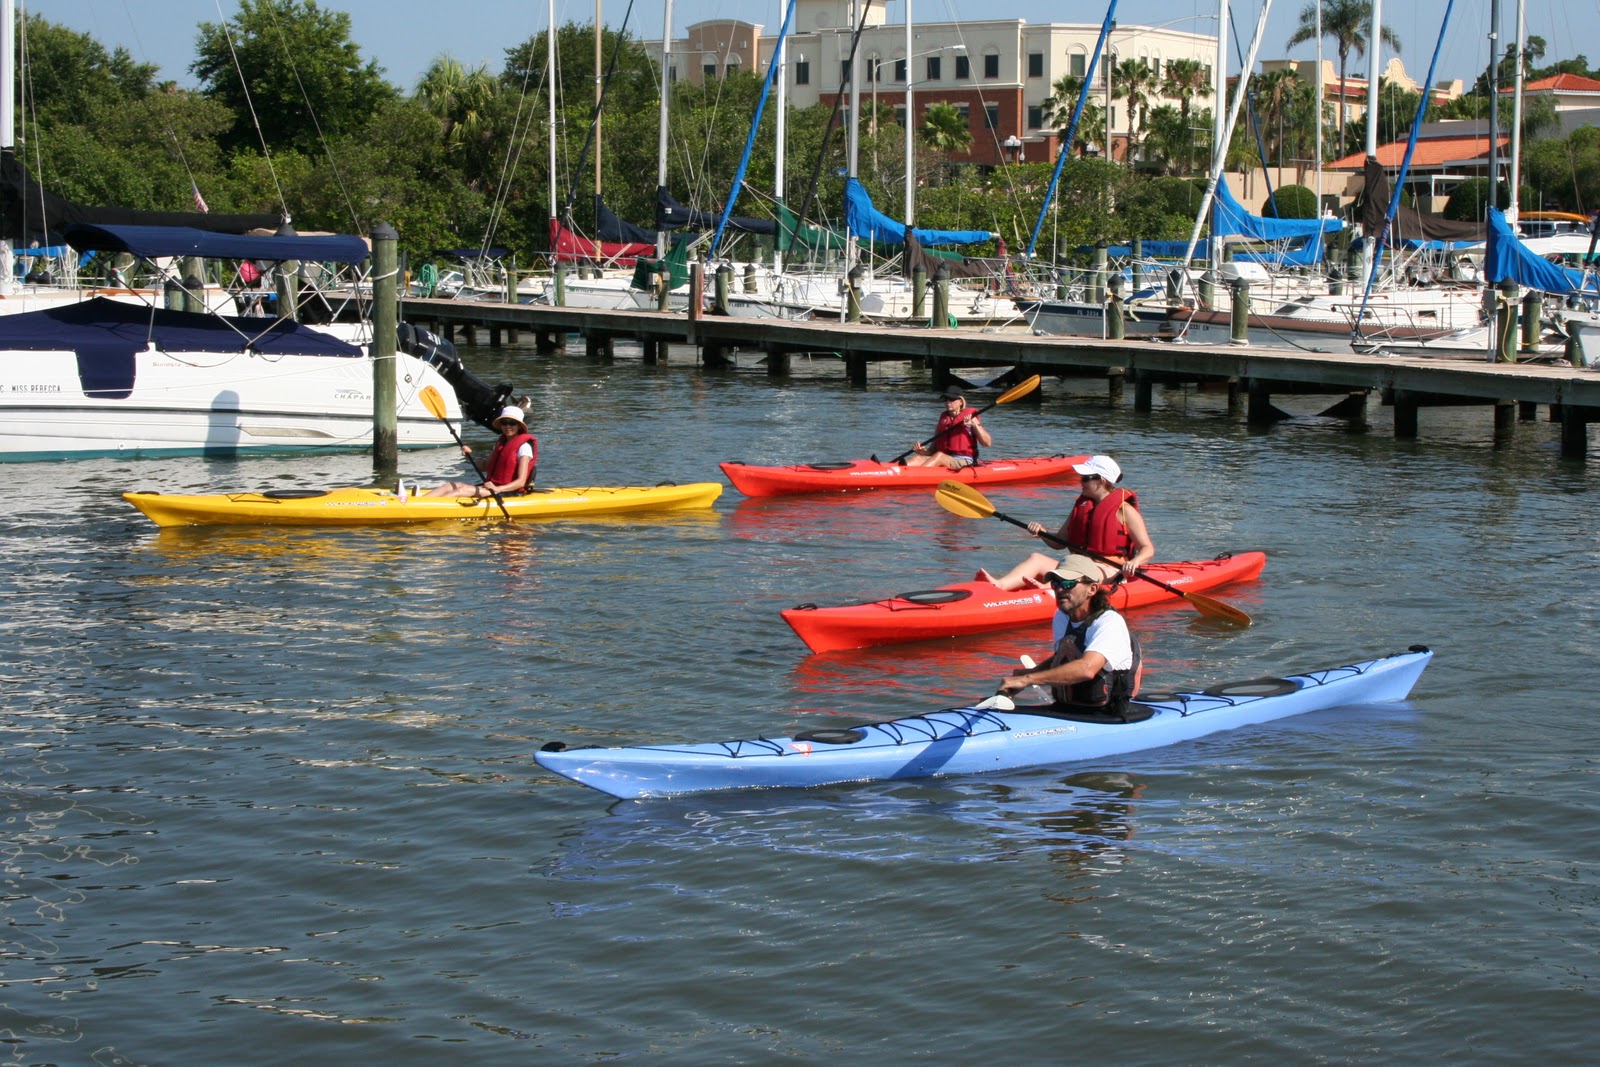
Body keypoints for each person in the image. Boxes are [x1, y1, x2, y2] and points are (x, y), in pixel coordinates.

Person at [976, 454, 1154, 590]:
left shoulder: (1125, 510)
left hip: (1108, 570)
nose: (1080, 481)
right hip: (1075, 564)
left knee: (1079, 569)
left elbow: (1147, 548)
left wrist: (1135, 562)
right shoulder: (1083, 506)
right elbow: (1059, 542)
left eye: (1085, 478)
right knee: (1036, 559)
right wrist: (1041, 532)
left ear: (1101, 481)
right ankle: (999, 585)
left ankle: (1049, 589)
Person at [997, 555, 1143, 719]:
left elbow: (1086, 668)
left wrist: (1028, 679)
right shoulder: (1062, 616)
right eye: (1056, 583)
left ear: (1092, 589)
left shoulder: (1109, 622)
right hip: (1067, 708)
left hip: (1108, 715)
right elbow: (1064, 658)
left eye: (1068, 583)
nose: (1060, 590)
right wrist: (1029, 674)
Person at [425, 405, 537, 499]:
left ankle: (428, 508)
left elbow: (521, 482)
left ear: (519, 426)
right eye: (504, 422)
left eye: (512, 423)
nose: (508, 426)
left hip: (509, 491)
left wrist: (498, 488)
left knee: (462, 490)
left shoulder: (524, 447)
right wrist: (468, 456)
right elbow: (484, 466)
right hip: (492, 487)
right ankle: (419, 502)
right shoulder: (500, 444)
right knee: (450, 485)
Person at [903, 386, 992, 467]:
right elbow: (932, 451)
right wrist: (922, 452)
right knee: (918, 458)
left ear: (960, 401)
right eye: (945, 399)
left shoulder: (971, 418)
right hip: (942, 458)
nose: (948, 402)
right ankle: (899, 473)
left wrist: (975, 425)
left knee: (939, 456)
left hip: (963, 460)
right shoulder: (943, 420)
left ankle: (917, 477)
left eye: (951, 399)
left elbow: (987, 443)